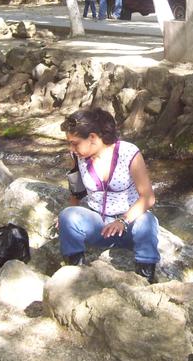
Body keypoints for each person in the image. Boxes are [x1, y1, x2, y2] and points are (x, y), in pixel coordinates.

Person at [58, 108, 160, 283]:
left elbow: (148, 197)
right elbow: (76, 188)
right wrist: (67, 219)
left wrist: (122, 221)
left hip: (129, 224)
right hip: (98, 225)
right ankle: (76, 275)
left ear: (93, 138)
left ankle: (146, 280)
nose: (71, 148)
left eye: (74, 143)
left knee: (147, 222)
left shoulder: (128, 153)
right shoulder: (78, 156)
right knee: (67, 216)